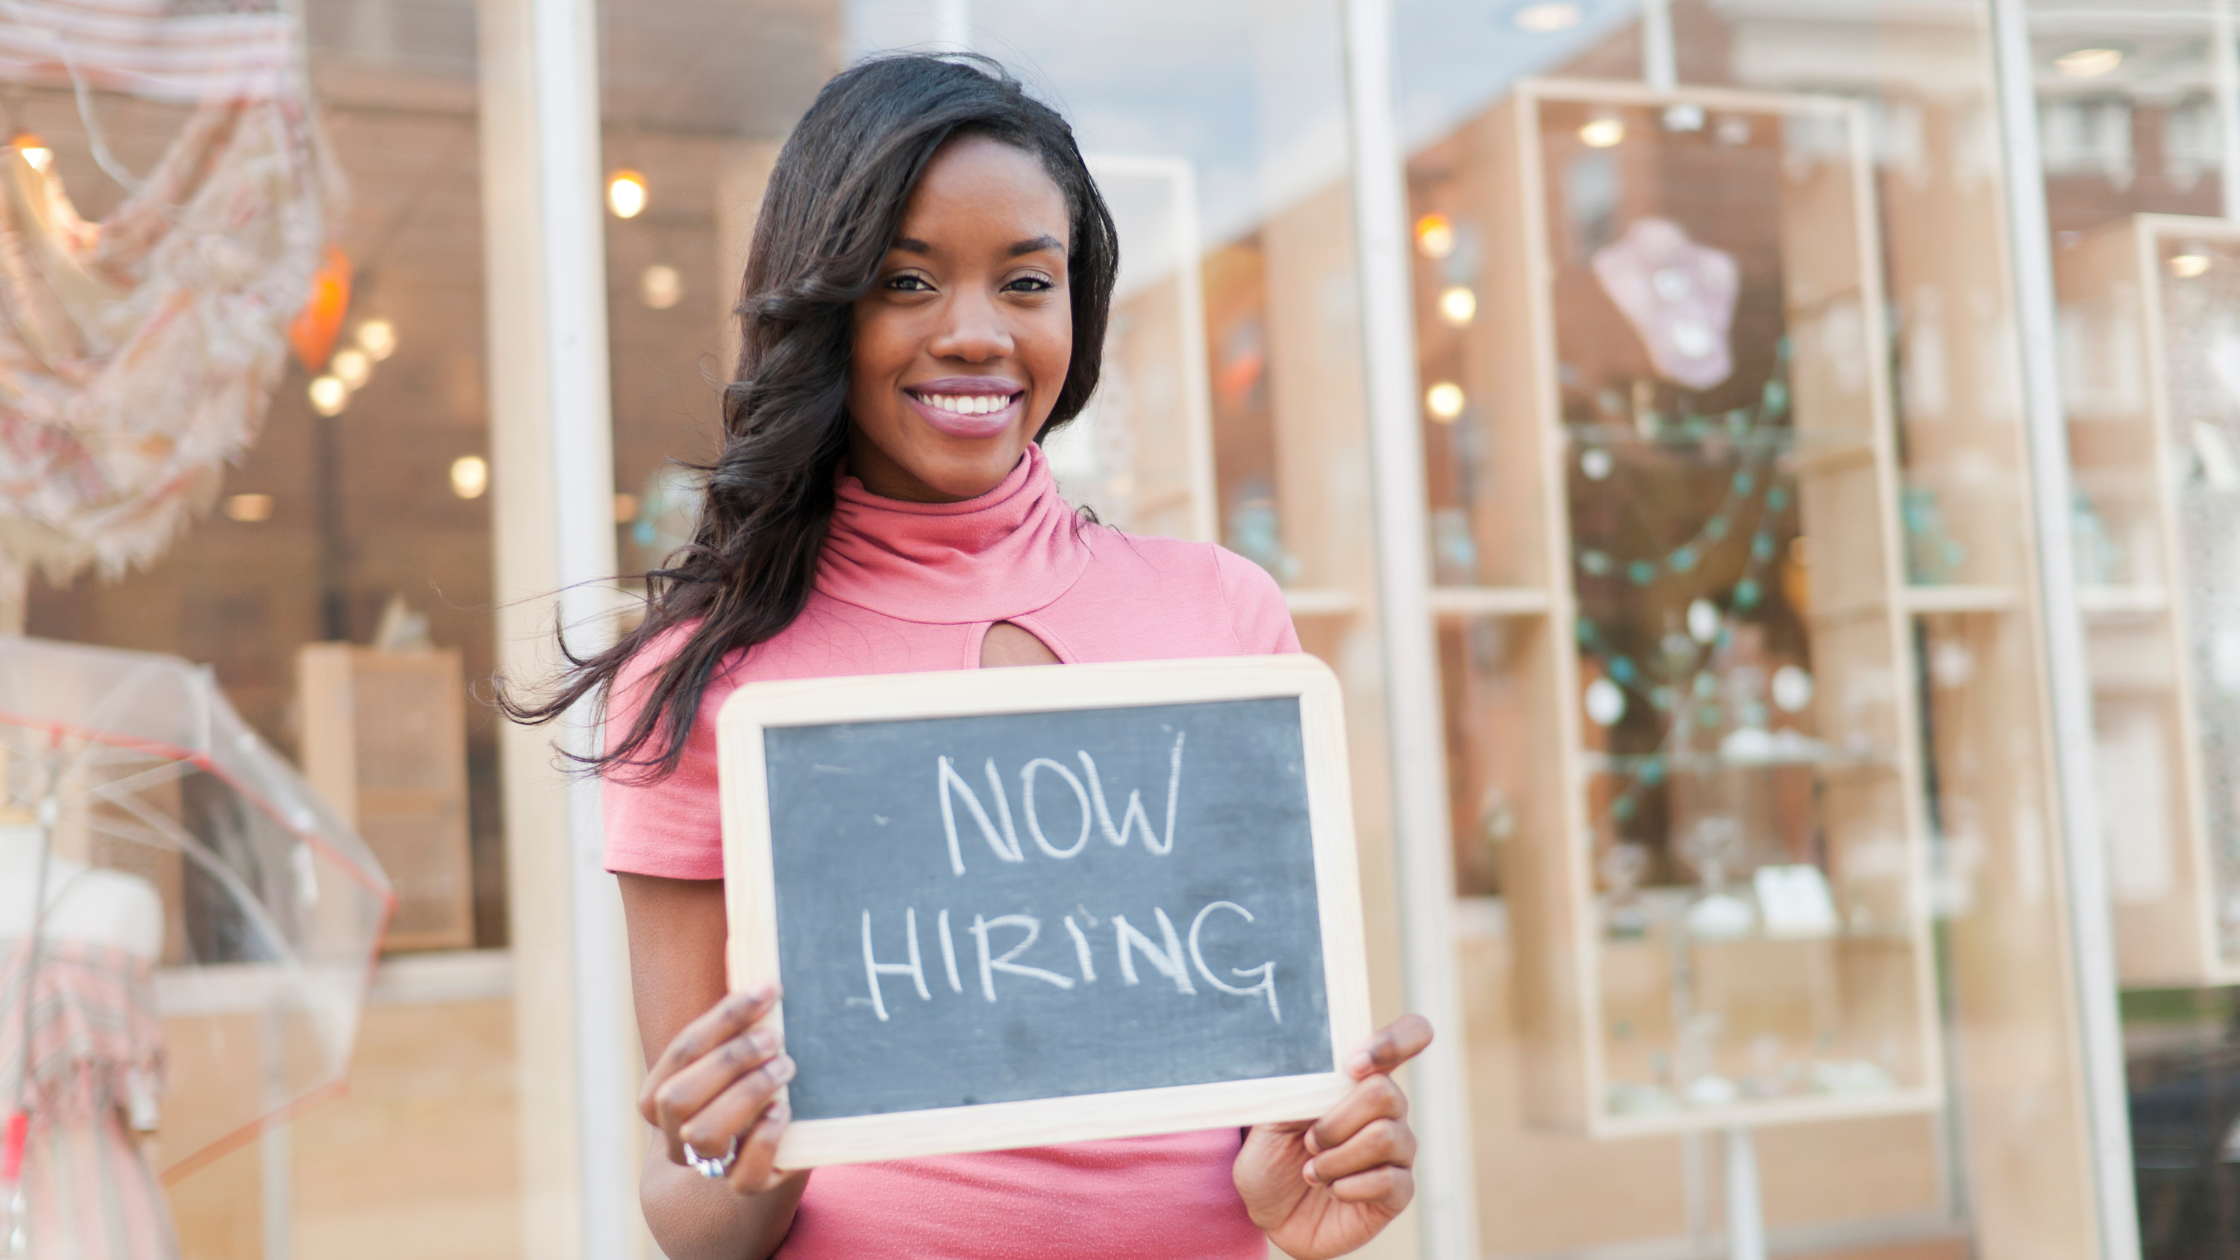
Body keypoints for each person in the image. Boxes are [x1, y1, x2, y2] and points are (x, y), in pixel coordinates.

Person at [507, 53, 1430, 1260]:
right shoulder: (710, 676)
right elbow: (694, 1218)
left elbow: (1264, 1077)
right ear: (822, 302)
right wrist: (736, 1162)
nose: (974, 334)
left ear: (1076, 308)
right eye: (905, 280)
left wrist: (1308, 1173)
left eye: (1026, 281)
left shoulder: (1221, 615)